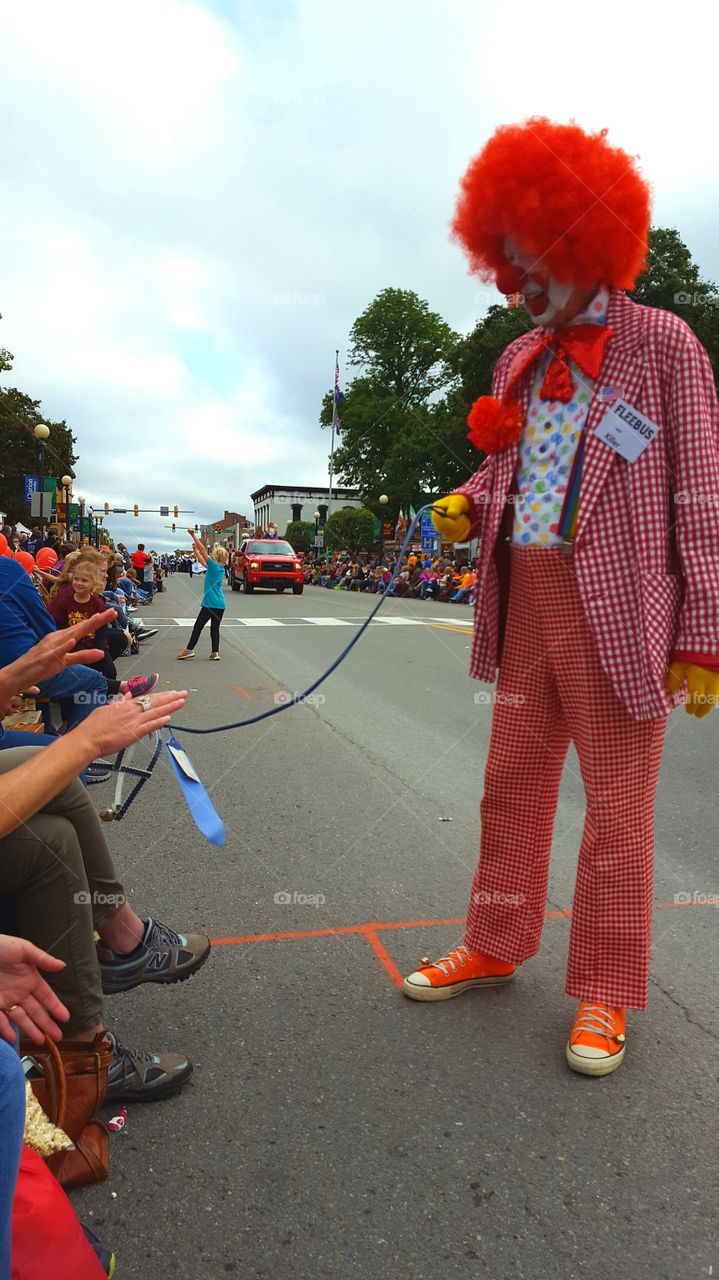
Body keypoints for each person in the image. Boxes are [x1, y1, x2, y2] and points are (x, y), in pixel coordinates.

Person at [402, 117, 719, 1078]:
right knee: (511, 787)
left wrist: (703, 630)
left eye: (525, 259)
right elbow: (510, 482)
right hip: (524, 601)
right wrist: (468, 502)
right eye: (501, 262)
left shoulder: (664, 346)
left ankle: (606, 993)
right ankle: (497, 940)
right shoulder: (518, 361)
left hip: (622, 611)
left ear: (585, 242)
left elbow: (699, 491)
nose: (512, 281)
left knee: (617, 814)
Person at [177, 531, 228, 661]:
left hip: (209, 604)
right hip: (220, 605)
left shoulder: (214, 566)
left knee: (198, 627)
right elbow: (202, 560)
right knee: (214, 629)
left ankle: (189, 649)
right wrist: (195, 551)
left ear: (215, 556)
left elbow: (203, 550)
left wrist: (193, 536)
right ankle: (215, 652)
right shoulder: (219, 568)